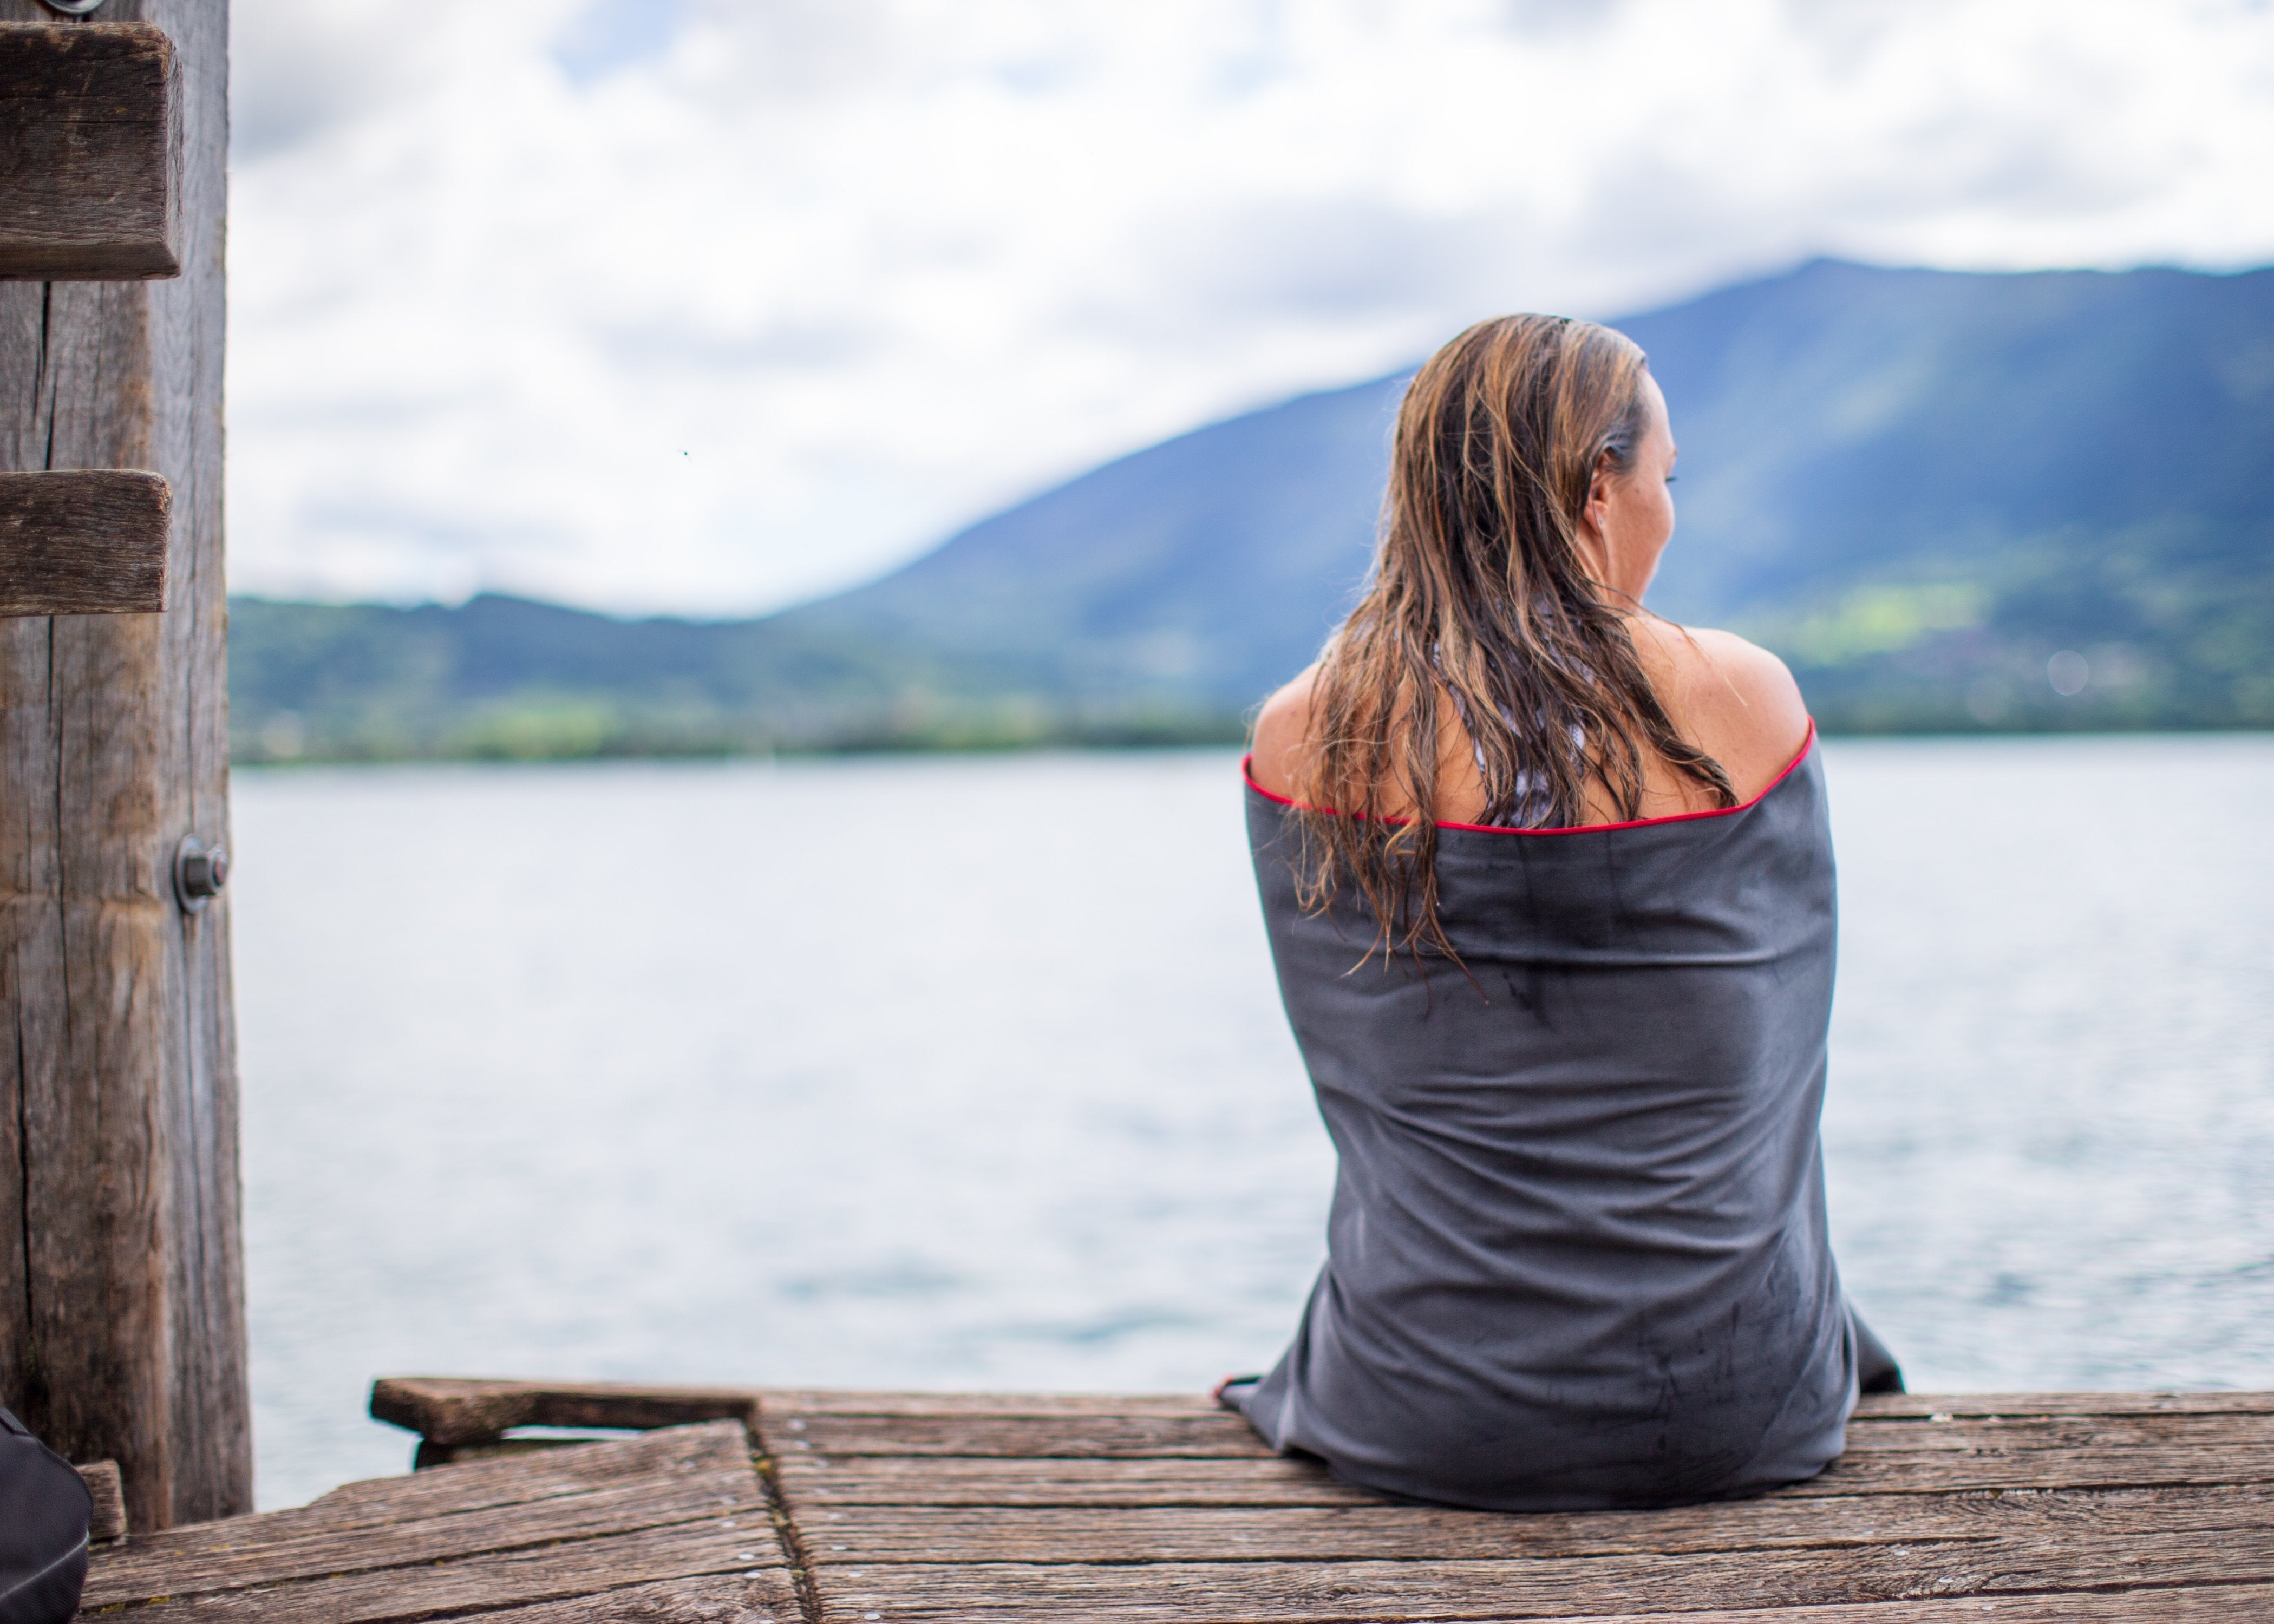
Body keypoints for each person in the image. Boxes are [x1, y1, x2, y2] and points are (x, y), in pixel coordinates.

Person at [1225, 312, 1900, 1512]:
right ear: (1600, 486)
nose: (1667, 513)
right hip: (1742, 1409)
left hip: (1420, 1410)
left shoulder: (1304, 731)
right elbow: (1777, 1069)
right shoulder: (1742, 700)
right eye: (1665, 478)